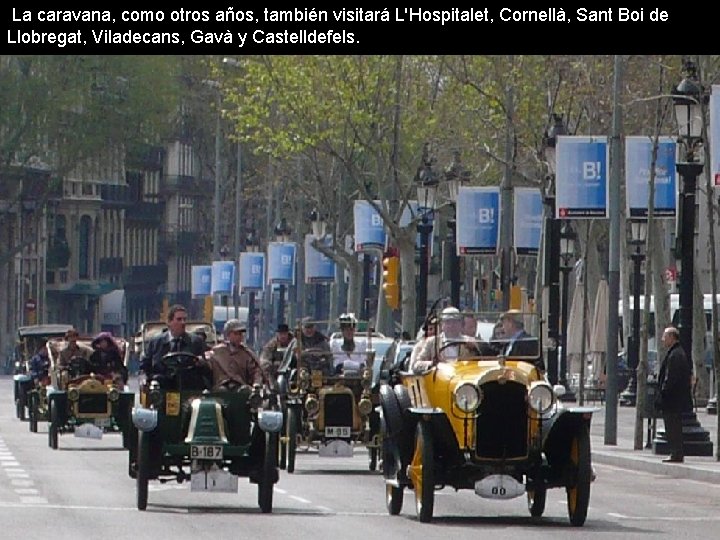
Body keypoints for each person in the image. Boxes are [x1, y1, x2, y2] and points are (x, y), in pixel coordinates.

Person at [140, 304, 207, 386]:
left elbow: (205, 369)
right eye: (179, 319)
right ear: (169, 322)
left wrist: (201, 362)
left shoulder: (196, 342)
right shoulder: (155, 343)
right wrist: (144, 379)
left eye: (184, 319)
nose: (183, 322)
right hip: (162, 385)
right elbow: (144, 367)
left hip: (189, 385)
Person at [656, 326, 693, 463]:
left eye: (665, 337)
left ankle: (676, 453)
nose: (662, 339)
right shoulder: (676, 353)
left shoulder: (675, 355)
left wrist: (663, 393)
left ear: (672, 337)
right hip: (674, 398)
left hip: (672, 399)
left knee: (672, 426)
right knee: (672, 425)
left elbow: (671, 377)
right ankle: (675, 452)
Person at [411, 307, 483, 372]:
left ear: (460, 324)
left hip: (462, 380)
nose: (451, 326)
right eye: (448, 322)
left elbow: (480, 363)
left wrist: (473, 348)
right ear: (442, 324)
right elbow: (416, 364)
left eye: (455, 322)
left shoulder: (469, 341)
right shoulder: (432, 342)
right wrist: (432, 363)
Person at [202, 319, 264, 391]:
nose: (239, 337)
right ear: (228, 335)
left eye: (240, 334)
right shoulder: (217, 351)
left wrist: (257, 383)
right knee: (222, 391)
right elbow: (206, 364)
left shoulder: (246, 354)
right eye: (236, 334)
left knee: (245, 391)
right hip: (220, 387)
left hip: (240, 387)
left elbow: (255, 371)